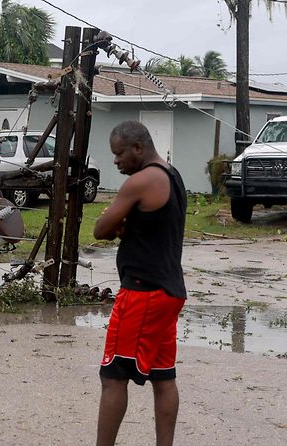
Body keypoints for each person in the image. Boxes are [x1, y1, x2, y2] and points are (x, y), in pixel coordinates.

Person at [93, 120, 187, 446]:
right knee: (163, 377)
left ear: (138, 148)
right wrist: (125, 223)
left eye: (119, 154)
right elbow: (149, 228)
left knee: (113, 377)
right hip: (170, 291)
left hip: (142, 292)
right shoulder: (173, 176)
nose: (116, 161)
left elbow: (100, 229)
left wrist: (115, 218)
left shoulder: (141, 180)